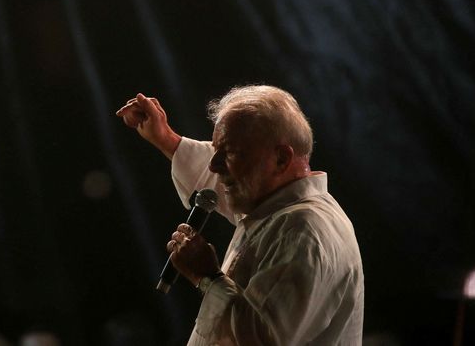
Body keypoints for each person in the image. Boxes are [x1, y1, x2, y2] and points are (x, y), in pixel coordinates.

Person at [116, 86, 364, 345]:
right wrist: (166, 138)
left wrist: (208, 278)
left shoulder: (301, 229)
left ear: (280, 158)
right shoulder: (275, 207)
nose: (214, 164)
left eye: (230, 152)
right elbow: (222, 176)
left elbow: (264, 340)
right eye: (216, 150)